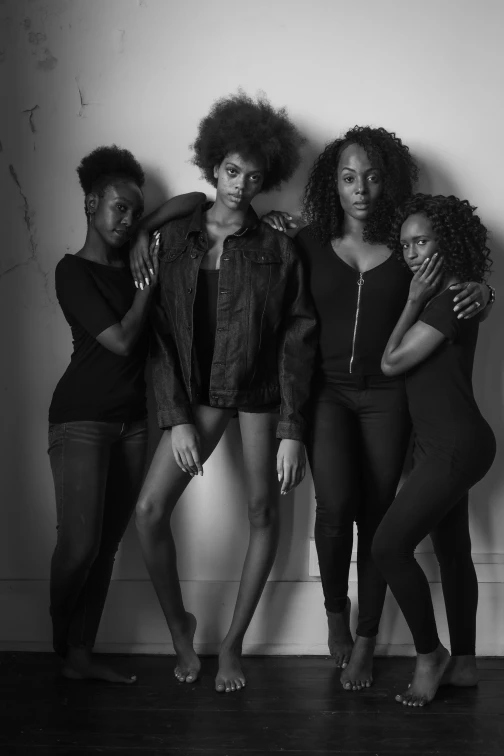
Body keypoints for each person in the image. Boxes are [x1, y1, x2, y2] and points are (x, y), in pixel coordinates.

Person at [266, 127, 494, 691]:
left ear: (387, 180)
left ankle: (368, 640)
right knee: (335, 505)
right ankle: (336, 616)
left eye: (371, 176)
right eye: (347, 178)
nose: (360, 188)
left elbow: (458, 282)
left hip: (390, 399)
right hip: (329, 394)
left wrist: (485, 294)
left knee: (378, 515)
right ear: (332, 185)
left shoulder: (409, 247)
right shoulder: (309, 241)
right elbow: (292, 333)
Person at [132, 93, 316, 693]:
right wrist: (177, 418)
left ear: (269, 179)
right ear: (213, 167)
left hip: (260, 392)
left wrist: (292, 430)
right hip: (199, 396)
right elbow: (158, 339)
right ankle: (182, 632)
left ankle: (233, 642)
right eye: (232, 171)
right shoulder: (176, 239)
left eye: (254, 176)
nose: (240, 185)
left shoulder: (278, 246)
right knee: (150, 511)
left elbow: (297, 337)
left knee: (265, 511)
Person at [48, 145, 202, 683]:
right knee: (78, 546)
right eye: (120, 208)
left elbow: (195, 198)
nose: (128, 218)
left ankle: (81, 658)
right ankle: (60, 643)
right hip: (81, 420)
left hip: (136, 423)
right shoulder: (74, 272)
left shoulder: (139, 251)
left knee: (107, 547)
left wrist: (143, 235)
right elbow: (120, 340)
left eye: (136, 211)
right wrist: (147, 286)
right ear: (91, 204)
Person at [376, 193, 496, 707]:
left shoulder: (449, 300)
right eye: (404, 244)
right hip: (441, 446)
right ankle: (464, 664)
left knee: (386, 547)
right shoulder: (450, 297)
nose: (411, 252)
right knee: (451, 551)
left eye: (421, 241)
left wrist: (409, 300)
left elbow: (391, 361)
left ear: (445, 244)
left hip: (455, 445)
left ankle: (430, 655)